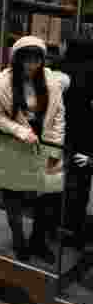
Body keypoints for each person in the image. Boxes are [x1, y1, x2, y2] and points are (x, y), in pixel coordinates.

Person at [0, 36, 68, 263]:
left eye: (37, 59)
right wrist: (20, 131)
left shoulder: (52, 83)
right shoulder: (1, 84)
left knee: (47, 199)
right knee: (13, 197)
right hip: (14, 147)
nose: (32, 65)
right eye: (27, 60)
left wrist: (55, 150)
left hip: (45, 147)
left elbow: (59, 117)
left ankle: (38, 241)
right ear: (17, 60)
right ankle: (19, 240)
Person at [59, 34, 93, 248]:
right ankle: (75, 229)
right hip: (86, 139)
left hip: (64, 134)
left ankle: (59, 225)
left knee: (58, 179)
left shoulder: (63, 69)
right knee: (80, 185)